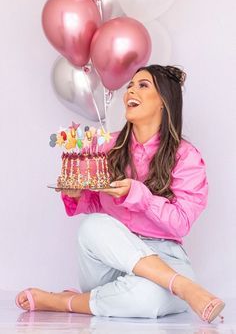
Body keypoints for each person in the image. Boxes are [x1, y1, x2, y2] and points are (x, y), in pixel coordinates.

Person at [15, 65, 225, 323]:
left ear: (164, 101)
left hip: (165, 256)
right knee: (93, 225)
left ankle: (64, 301)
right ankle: (183, 287)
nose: (130, 91)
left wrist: (140, 195)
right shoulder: (107, 146)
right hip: (109, 262)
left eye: (143, 85)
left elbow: (181, 222)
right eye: (130, 86)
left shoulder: (186, 156)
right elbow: (94, 204)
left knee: (147, 299)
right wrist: (76, 194)